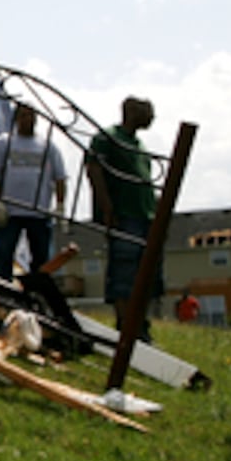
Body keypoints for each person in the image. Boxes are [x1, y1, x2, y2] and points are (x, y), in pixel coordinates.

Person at [86, 96, 161, 343]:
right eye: (146, 112)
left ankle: (141, 325)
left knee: (147, 273)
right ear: (130, 111)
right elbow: (94, 168)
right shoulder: (108, 138)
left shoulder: (138, 144)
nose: (151, 117)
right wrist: (106, 207)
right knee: (124, 270)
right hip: (124, 215)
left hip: (145, 215)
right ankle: (125, 323)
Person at [0, 103, 68, 279]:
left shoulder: (47, 146)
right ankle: (2, 289)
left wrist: (60, 204)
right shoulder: (4, 143)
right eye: (24, 116)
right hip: (10, 211)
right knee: (5, 253)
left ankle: (39, 293)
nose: (28, 120)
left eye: (31, 116)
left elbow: (60, 177)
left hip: (39, 212)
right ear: (16, 119)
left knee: (41, 258)